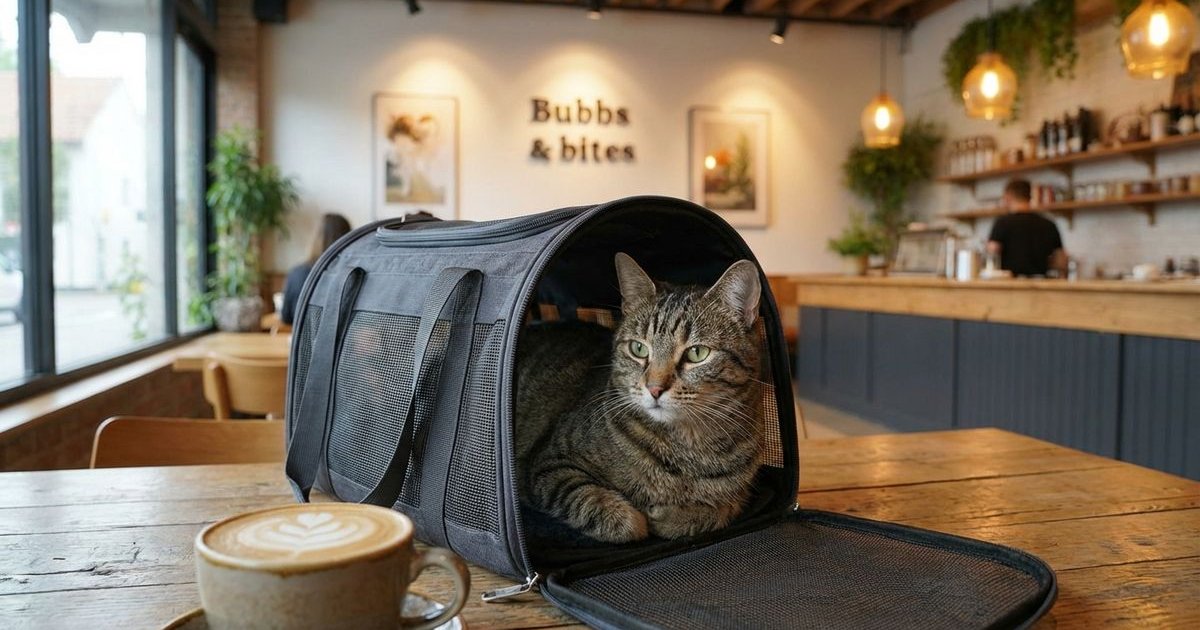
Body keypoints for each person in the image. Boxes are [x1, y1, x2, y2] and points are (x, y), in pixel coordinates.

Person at [280, 213, 352, 324]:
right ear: (349, 239)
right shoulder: (353, 276)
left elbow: (286, 317)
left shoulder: (297, 273)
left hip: (302, 340)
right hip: (342, 341)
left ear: (316, 237)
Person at [986, 179, 1067, 277]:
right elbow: (1061, 260)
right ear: (1030, 196)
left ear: (1008, 196)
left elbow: (992, 251)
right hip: (1041, 284)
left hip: (1010, 284)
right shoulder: (1048, 224)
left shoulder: (1003, 222)